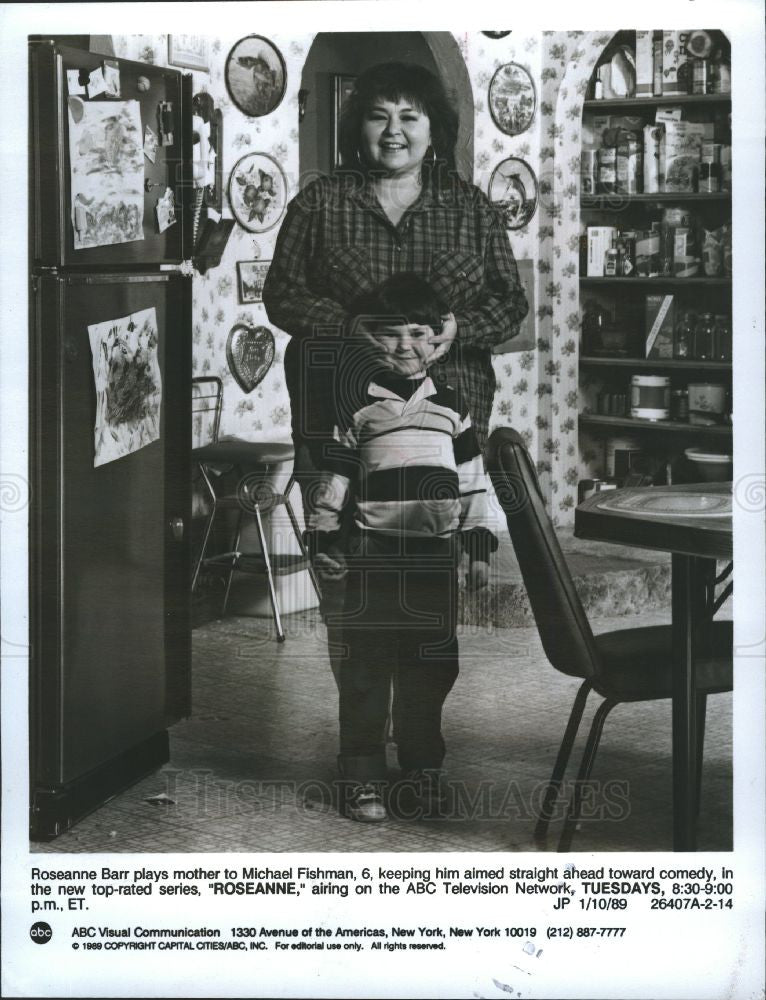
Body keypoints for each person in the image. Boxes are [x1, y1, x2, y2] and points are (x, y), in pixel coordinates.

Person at [261, 59, 527, 677]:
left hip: (446, 420)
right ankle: (359, 742)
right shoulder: (321, 203)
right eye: (379, 116)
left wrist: (459, 328)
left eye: (410, 116)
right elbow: (281, 295)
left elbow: (510, 303)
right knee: (345, 573)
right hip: (338, 420)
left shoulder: (472, 210)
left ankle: (416, 734)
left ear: (435, 129)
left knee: (428, 588)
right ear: (360, 127)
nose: (394, 131)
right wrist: (350, 327)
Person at [308, 273, 499, 822]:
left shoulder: (455, 408)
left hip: (433, 557)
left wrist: (477, 545)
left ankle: (422, 769)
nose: (405, 347)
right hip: (371, 552)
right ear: (368, 337)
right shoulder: (356, 408)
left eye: (419, 334)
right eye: (390, 335)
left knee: (430, 663)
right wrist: (327, 539)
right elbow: (335, 482)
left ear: (439, 338)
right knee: (366, 663)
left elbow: (473, 480)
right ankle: (361, 773)